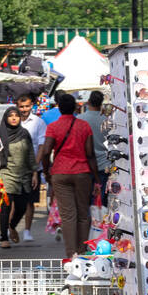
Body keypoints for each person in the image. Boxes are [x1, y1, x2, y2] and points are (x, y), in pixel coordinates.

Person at [38, 92, 98, 257]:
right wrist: (97, 178)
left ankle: (71, 255)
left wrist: (46, 171)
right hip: (82, 172)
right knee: (83, 214)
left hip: (60, 173)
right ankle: (83, 250)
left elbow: (45, 152)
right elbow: (90, 153)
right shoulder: (84, 126)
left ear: (59, 108)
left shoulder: (53, 127)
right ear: (75, 107)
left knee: (68, 215)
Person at [0, 106, 39, 245]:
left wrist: (34, 173)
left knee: (22, 206)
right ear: (6, 118)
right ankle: (4, 237)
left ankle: (12, 226)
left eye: (16, 115)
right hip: (6, 173)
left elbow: (30, 154)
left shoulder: (24, 133)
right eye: (11, 115)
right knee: (6, 206)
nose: (14, 118)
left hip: (24, 175)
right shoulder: (0, 134)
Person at [15, 93, 47, 241]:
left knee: (29, 201)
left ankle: (27, 230)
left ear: (31, 106)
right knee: (14, 200)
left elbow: (41, 146)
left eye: (27, 106)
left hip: (32, 168)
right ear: (17, 106)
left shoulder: (38, 123)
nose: (24, 109)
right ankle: (12, 228)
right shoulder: (12, 121)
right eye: (21, 106)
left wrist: (35, 168)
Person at [78, 90, 110, 206]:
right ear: (101, 104)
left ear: (88, 102)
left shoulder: (80, 119)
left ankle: (87, 223)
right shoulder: (107, 120)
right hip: (103, 165)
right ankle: (98, 223)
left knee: (84, 201)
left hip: (84, 165)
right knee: (100, 202)